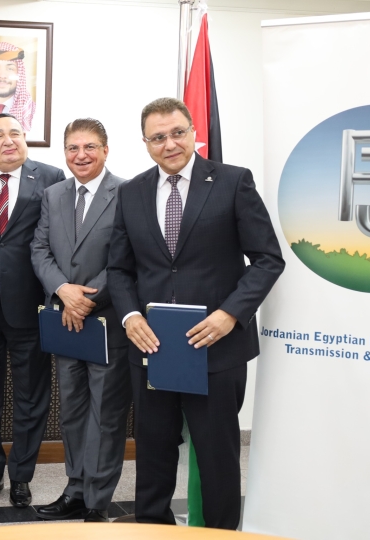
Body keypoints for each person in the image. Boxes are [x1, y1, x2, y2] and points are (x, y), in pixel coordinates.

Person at [107, 97, 284, 529]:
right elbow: (119, 269)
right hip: (152, 348)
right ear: (146, 143)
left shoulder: (232, 182)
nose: (169, 144)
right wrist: (130, 317)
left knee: (217, 455)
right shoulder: (131, 192)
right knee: (153, 452)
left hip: (215, 347)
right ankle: (154, 529)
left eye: (177, 133)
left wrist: (230, 314)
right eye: (158, 137)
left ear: (193, 132)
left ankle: (220, 536)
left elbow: (267, 259)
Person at [0, 113, 65, 508]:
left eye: (15, 133)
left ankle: (21, 475)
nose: (8, 140)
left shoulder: (52, 178)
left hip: (31, 307)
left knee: (31, 397)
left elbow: (60, 241)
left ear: (25, 138)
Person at [30, 118, 131, 523]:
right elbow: (39, 249)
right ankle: (74, 489)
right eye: (73, 147)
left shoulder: (127, 193)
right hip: (64, 320)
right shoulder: (53, 194)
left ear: (106, 150)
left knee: (105, 414)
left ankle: (97, 500)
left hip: (104, 320)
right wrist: (63, 290)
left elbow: (127, 255)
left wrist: (86, 298)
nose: (81, 155)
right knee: (71, 410)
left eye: (89, 147)